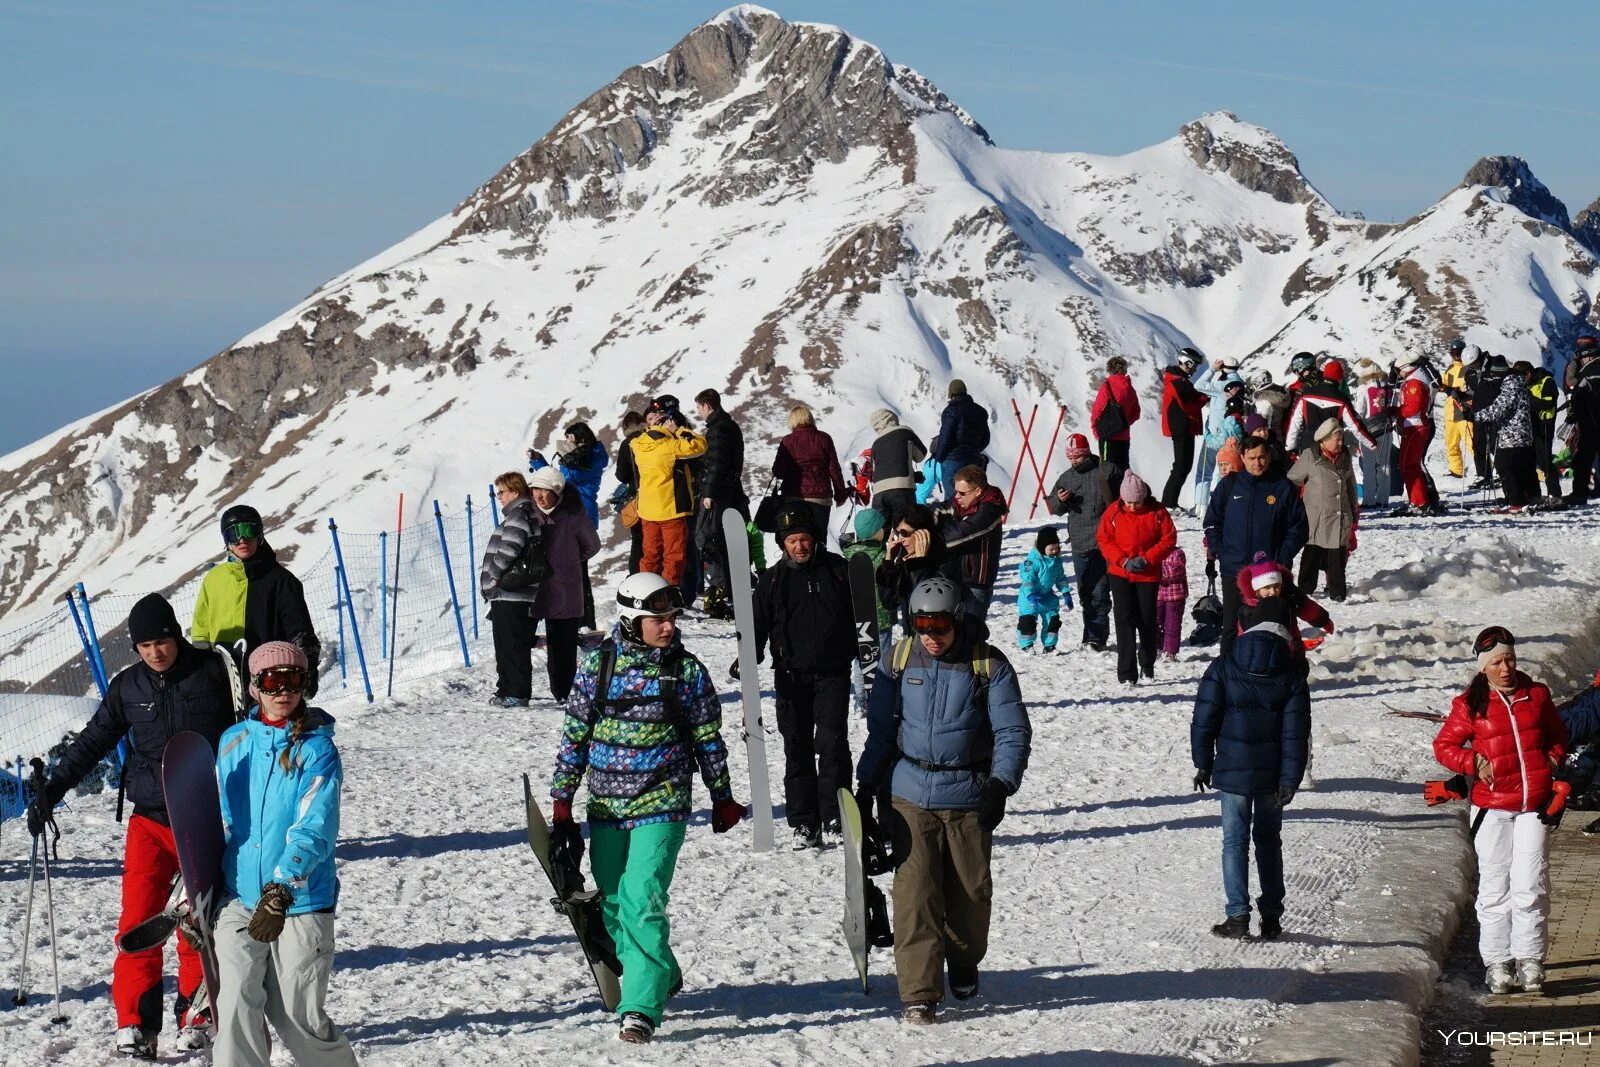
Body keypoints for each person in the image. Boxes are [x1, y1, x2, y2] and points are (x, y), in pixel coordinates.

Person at [26, 594, 237, 1059]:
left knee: (195, 921)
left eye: (162, 641)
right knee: (139, 920)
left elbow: (248, 729)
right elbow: (94, 740)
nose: (155, 653)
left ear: (176, 634)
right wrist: (52, 791)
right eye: (144, 645)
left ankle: (196, 1013)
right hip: (149, 820)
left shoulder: (213, 673)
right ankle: (136, 1023)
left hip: (203, 816)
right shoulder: (129, 687)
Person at [550, 572, 745, 1043]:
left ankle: (639, 1008)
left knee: (642, 898)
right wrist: (562, 800)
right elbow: (575, 734)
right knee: (614, 901)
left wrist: (722, 797)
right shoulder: (598, 666)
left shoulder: (687, 671)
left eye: (672, 617)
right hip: (607, 804)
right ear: (631, 620)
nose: (669, 626)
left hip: (663, 800)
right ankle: (661, 972)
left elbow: (707, 739)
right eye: (657, 618)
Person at [855, 575, 1031, 1025]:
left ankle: (964, 957)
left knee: (970, 896)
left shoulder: (988, 665)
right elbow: (881, 731)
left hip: (969, 795)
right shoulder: (898, 659)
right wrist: (865, 786)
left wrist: (1000, 786)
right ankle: (918, 992)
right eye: (921, 627)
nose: (931, 637)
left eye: (940, 627)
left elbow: (1012, 732)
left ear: (957, 621)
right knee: (915, 895)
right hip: (909, 793)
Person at [212, 642, 357, 1067]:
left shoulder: (317, 751)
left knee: (298, 1015)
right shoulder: (233, 742)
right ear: (255, 686)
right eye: (273, 680)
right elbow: (219, 818)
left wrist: (281, 887)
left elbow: (315, 827)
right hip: (239, 895)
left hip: (300, 898)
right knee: (236, 1001)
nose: (284, 690)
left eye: (293, 679)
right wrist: (195, 886)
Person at [1432, 626, 1568, 994]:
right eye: (1497, 662)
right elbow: (1444, 746)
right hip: (1491, 808)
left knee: (1531, 884)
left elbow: (1557, 734)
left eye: (1509, 659)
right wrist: (1472, 762)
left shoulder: (1536, 694)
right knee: (1495, 887)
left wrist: (1553, 761)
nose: (1506, 668)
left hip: (1533, 805)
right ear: (1483, 668)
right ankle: (1497, 962)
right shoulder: (1469, 704)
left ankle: (1529, 959)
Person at [1191, 597, 1311, 941]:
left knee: (1234, 842)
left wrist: (1203, 763)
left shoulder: (1224, 665)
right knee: (1269, 842)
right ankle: (1271, 916)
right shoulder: (1292, 673)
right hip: (1273, 776)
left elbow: (1204, 720)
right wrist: (1291, 779)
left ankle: (1238, 915)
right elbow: (1295, 734)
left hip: (1232, 771)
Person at [754, 505, 857, 848]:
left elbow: (865, 617)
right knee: (795, 747)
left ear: (815, 540)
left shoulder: (838, 572)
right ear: (783, 544)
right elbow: (757, 625)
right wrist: (748, 656)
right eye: (792, 541)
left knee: (831, 742)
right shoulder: (771, 582)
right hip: (790, 676)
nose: (799, 546)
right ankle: (804, 822)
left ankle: (835, 815)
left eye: (804, 539)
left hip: (832, 673)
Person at [191, 504, 321, 692]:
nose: (242, 539)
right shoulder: (214, 578)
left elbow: (300, 633)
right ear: (226, 541)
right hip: (224, 676)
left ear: (260, 534)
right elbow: (201, 628)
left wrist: (304, 678)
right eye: (233, 534)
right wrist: (201, 668)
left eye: (248, 530)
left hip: (269, 679)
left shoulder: (282, 580)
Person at [1204, 437, 1309, 656]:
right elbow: (1212, 522)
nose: (1257, 463)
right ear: (1242, 458)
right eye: (1251, 458)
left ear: (1268, 456)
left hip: (1270, 575)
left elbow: (1298, 529)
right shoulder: (1229, 485)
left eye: (1261, 457)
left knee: (1271, 628)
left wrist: (1280, 558)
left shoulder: (1283, 487)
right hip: (1233, 569)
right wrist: (1219, 550)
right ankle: (1228, 678)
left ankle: (1269, 676)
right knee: (1231, 628)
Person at [1096, 471, 1177, 683]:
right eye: (1129, 502)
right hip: (1120, 573)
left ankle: (1148, 665)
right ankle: (1126, 673)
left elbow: (1168, 539)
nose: (1132, 506)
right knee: (1124, 620)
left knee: (1147, 619)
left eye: (1137, 502)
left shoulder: (1158, 512)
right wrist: (1123, 561)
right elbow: (1104, 539)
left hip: (1147, 575)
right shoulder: (1113, 512)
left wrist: (1147, 559)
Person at [530, 466, 601, 701]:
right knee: (524, 639)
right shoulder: (528, 513)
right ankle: (517, 690)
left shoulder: (573, 514)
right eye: (535, 489)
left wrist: (569, 561)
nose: (539, 495)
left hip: (565, 589)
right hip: (533, 588)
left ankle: (564, 691)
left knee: (563, 643)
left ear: (557, 491)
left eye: (544, 490)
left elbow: (592, 545)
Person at [481, 471, 549, 708]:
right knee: (507, 642)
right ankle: (506, 689)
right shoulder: (527, 513)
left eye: (501, 492)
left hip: (512, 591)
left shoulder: (519, 515)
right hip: (514, 592)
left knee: (512, 644)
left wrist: (493, 577)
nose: (498, 497)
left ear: (515, 491)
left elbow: (509, 548)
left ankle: (516, 692)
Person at [1046, 433, 1119, 650]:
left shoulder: (1107, 470)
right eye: (1071, 457)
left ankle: (1097, 638)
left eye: (1078, 456)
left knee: (1099, 592)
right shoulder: (1066, 478)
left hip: (1103, 542)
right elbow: (1054, 508)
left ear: (1086, 452)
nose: (1074, 461)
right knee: (1085, 592)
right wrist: (1060, 500)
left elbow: (1127, 494)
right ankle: (1089, 636)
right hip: (1078, 543)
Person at [632, 396, 707, 585]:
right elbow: (700, 445)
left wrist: (657, 426)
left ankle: (647, 589)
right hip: (670, 509)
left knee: (650, 555)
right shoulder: (670, 446)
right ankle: (669, 595)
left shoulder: (638, 444)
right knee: (673, 557)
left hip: (648, 510)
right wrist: (678, 429)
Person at [1288, 419, 1358, 601]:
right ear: (1323, 440)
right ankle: (1305, 590)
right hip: (1316, 517)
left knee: (1337, 556)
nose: (1341, 443)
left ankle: (1337, 592)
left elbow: (1350, 484)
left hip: (1340, 515)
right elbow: (1292, 481)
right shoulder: (1310, 456)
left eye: (1341, 438)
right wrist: (1292, 507)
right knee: (1312, 553)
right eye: (1337, 439)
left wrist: (1353, 509)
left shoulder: (1345, 457)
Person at [694, 388, 748, 620]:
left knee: (707, 539)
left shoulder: (716, 430)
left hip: (718, 495)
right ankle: (733, 590)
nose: (698, 412)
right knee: (727, 543)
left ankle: (717, 595)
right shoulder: (730, 426)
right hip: (732, 492)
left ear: (707, 406)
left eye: (698, 407)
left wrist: (708, 492)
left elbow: (716, 463)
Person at [1234, 554, 1333, 672]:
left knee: (1298, 677)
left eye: (1276, 586)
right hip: (1263, 658)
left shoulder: (1289, 596)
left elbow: (1306, 607)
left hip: (1293, 651)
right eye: (1267, 587)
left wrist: (1323, 619)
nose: (1273, 591)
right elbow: (1243, 639)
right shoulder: (1247, 610)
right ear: (1257, 589)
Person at [938, 465, 1007, 620]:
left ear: (977, 491)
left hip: (976, 582)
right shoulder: (965, 502)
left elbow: (962, 533)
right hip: (957, 575)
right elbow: (940, 508)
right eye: (955, 491)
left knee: (971, 633)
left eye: (962, 493)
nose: (957, 497)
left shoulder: (990, 510)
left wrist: (930, 541)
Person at [772, 403, 848, 545]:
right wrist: (840, 495)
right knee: (819, 540)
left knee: (796, 539)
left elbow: (778, 472)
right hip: (820, 498)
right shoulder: (824, 438)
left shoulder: (787, 441)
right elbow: (834, 469)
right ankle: (820, 565)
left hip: (793, 497)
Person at [1474, 357, 1539, 512]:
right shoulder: (1518, 382)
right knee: (1525, 467)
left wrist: (1476, 415)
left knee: (1505, 466)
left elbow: (1500, 408)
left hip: (1511, 434)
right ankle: (1533, 497)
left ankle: (1516, 502)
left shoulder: (1510, 384)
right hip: (1523, 432)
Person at [876, 504, 950, 635]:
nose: (900, 539)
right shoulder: (905, 560)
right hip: (912, 640)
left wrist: (920, 564)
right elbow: (888, 602)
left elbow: (928, 606)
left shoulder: (943, 561)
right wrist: (888, 561)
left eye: (904, 533)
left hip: (934, 639)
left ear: (923, 532)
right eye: (898, 533)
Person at [1284, 360, 1377, 455]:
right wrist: (1372, 444)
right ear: (1340, 379)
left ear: (1324, 375)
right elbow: (1355, 426)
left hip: (1308, 446)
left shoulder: (1306, 394)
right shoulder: (1342, 399)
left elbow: (1295, 423)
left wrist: (1290, 446)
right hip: (1331, 448)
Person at [842, 507, 894, 665]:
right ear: (876, 532)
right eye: (882, 528)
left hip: (858, 618)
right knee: (884, 656)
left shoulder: (849, 555)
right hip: (882, 618)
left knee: (862, 659)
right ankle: (884, 687)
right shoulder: (882, 555)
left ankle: (860, 691)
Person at [1394, 354, 1443, 515]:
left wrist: (1394, 411)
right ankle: (1418, 500)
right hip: (1413, 426)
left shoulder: (1414, 383)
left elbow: (1413, 408)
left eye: (1398, 370)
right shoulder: (1413, 381)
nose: (1397, 373)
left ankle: (1420, 501)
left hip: (1415, 427)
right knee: (1408, 465)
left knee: (1409, 465)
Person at [1159, 348, 1208, 508]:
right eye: (1194, 365)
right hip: (1181, 428)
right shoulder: (1177, 382)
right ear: (1188, 362)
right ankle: (1168, 503)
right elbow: (1190, 405)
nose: (1195, 369)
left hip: (1184, 428)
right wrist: (1204, 398)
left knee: (1183, 466)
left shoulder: (1180, 380)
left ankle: (1170, 502)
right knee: (1181, 466)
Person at [866, 409, 928, 531]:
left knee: (882, 532)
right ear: (892, 417)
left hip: (879, 493)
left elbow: (876, 471)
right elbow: (921, 454)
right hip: (902, 489)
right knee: (907, 528)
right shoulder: (904, 432)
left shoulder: (875, 444)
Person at [1193, 361, 1244, 511]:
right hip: (1232, 436)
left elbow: (1199, 385)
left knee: (1205, 470)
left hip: (1215, 434)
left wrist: (1212, 369)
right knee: (1227, 471)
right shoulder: (1240, 383)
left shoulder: (1223, 386)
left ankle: (1201, 505)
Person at [932, 379, 991, 501]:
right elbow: (986, 438)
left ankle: (954, 519)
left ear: (951, 394)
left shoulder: (951, 411)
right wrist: (974, 450)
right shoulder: (980, 411)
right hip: (973, 459)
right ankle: (970, 519)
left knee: (953, 497)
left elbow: (945, 437)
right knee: (971, 495)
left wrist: (939, 456)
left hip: (953, 459)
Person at [1016, 526, 1072, 653]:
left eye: (1056, 548)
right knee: (1028, 622)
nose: (1054, 551)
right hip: (1029, 597)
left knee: (1053, 620)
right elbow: (1027, 579)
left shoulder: (1056, 562)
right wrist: (1030, 595)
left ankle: (1049, 646)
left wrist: (1066, 593)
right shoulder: (1031, 562)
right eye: (1051, 549)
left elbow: (1060, 578)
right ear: (1042, 547)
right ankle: (1027, 645)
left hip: (1046, 596)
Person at [1351, 358, 1393, 509]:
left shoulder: (1363, 388)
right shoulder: (1388, 387)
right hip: (1386, 429)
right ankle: (1383, 499)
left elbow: (1359, 411)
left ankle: (1369, 500)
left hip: (1369, 431)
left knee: (1369, 466)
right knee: (1385, 465)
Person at [612, 410, 648, 574]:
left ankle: (636, 576)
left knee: (638, 540)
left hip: (637, 498)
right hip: (657, 496)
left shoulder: (627, 444)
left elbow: (621, 474)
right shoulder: (650, 437)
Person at [1521, 360, 1562, 504]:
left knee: (1545, 460)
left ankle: (1555, 494)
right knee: (1529, 461)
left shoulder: (1547, 381)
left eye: (1522, 377)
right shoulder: (1527, 383)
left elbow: (1548, 403)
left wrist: (1528, 397)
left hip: (1544, 425)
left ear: (1529, 373)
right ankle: (1533, 495)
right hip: (1530, 426)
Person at [1090, 356, 1140, 469]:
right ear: (1124, 369)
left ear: (1110, 369)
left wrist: (1095, 428)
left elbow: (1097, 410)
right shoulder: (1130, 389)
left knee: (1107, 471)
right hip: (1124, 438)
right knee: (1123, 470)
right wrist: (1124, 424)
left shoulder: (1107, 387)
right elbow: (1136, 413)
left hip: (1108, 436)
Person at [1567, 336, 1600, 506]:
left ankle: (1579, 494)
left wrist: (1573, 414)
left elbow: (1578, 397)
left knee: (1582, 460)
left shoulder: (1587, 372)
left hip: (1591, 423)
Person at [1440, 339, 1475, 479]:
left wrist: (1455, 391)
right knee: (1451, 444)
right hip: (1450, 413)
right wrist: (1443, 387)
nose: (1455, 355)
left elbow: (1467, 389)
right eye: (1453, 352)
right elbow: (1444, 385)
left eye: (1458, 352)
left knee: (1472, 444)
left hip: (1464, 411)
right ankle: (1456, 471)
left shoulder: (1469, 368)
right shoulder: (1450, 368)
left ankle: (1487, 470)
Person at [1156, 544, 1189, 661]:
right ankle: (1157, 648)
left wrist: (1157, 573)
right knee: (1156, 623)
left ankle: (1170, 652)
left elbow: (1176, 571)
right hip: (1157, 595)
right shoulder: (1154, 552)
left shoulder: (1177, 554)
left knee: (1172, 624)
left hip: (1175, 596)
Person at [1249, 369, 1291, 439]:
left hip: (1268, 436)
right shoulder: (1281, 392)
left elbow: (1261, 423)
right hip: (1283, 431)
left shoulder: (1261, 399)